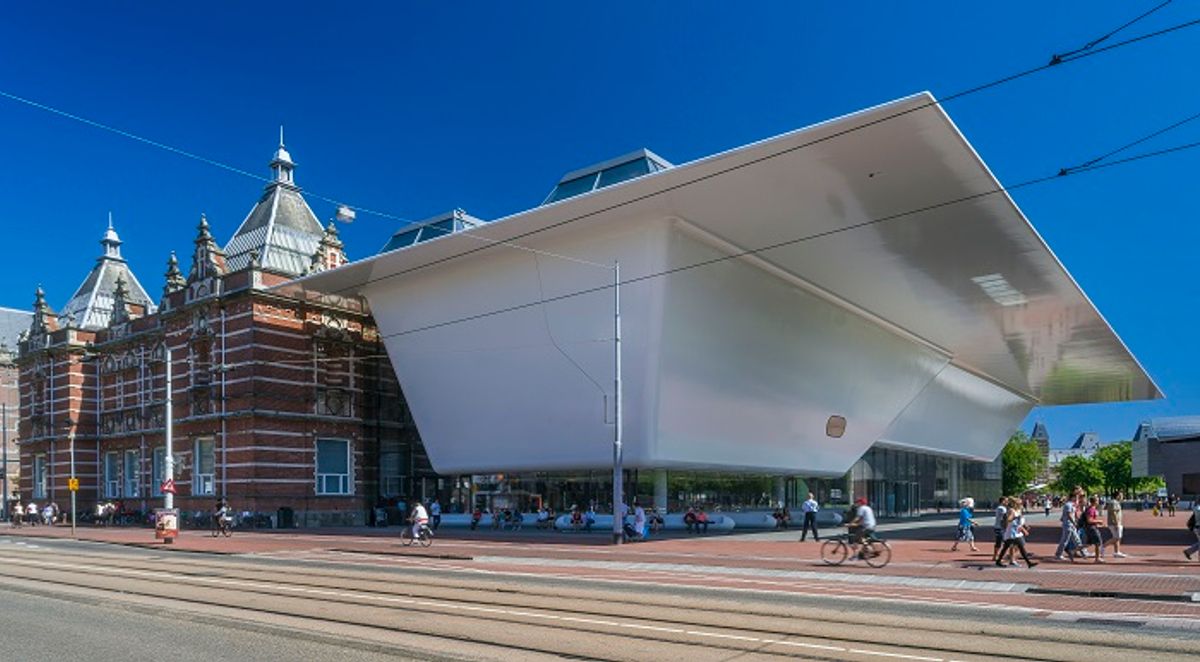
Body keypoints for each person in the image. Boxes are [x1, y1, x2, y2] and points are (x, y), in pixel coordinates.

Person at [996, 502, 1038, 568]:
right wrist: (1015, 517)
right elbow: (1008, 519)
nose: (1021, 505)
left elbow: (1019, 523)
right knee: (1021, 547)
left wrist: (1024, 528)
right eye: (1020, 504)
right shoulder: (1012, 511)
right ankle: (1028, 563)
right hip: (1012, 533)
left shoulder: (1018, 511)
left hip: (1016, 533)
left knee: (1006, 547)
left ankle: (998, 561)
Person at [1082, 496, 1105, 563]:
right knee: (1098, 542)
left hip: (1091, 527)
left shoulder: (1091, 508)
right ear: (1094, 502)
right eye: (1097, 501)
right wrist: (1098, 521)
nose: (1098, 502)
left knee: (1088, 543)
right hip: (1091, 528)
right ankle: (1097, 559)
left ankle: (1073, 551)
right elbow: (1089, 520)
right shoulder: (1091, 509)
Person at [1105, 491, 1127, 558]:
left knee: (1117, 537)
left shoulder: (1116, 502)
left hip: (1116, 522)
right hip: (1114, 523)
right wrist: (1116, 523)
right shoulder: (1114, 503)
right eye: (1121, 495)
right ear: (1117, 496)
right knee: (1117, 537)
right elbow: (1114, 513)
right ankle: (1103, 546)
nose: (1122, 497)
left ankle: (1117, 552)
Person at [992, 497, 1009, 563]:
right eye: (1006, 501)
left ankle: (998, 556)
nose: (1007, 502)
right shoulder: (1001, 508)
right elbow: (1005, 518)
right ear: (1003, 501)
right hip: (1000, 527)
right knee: (999, 542)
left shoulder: (1002, 508)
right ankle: (995, 556)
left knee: (1005, 542)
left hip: (1000, 527)